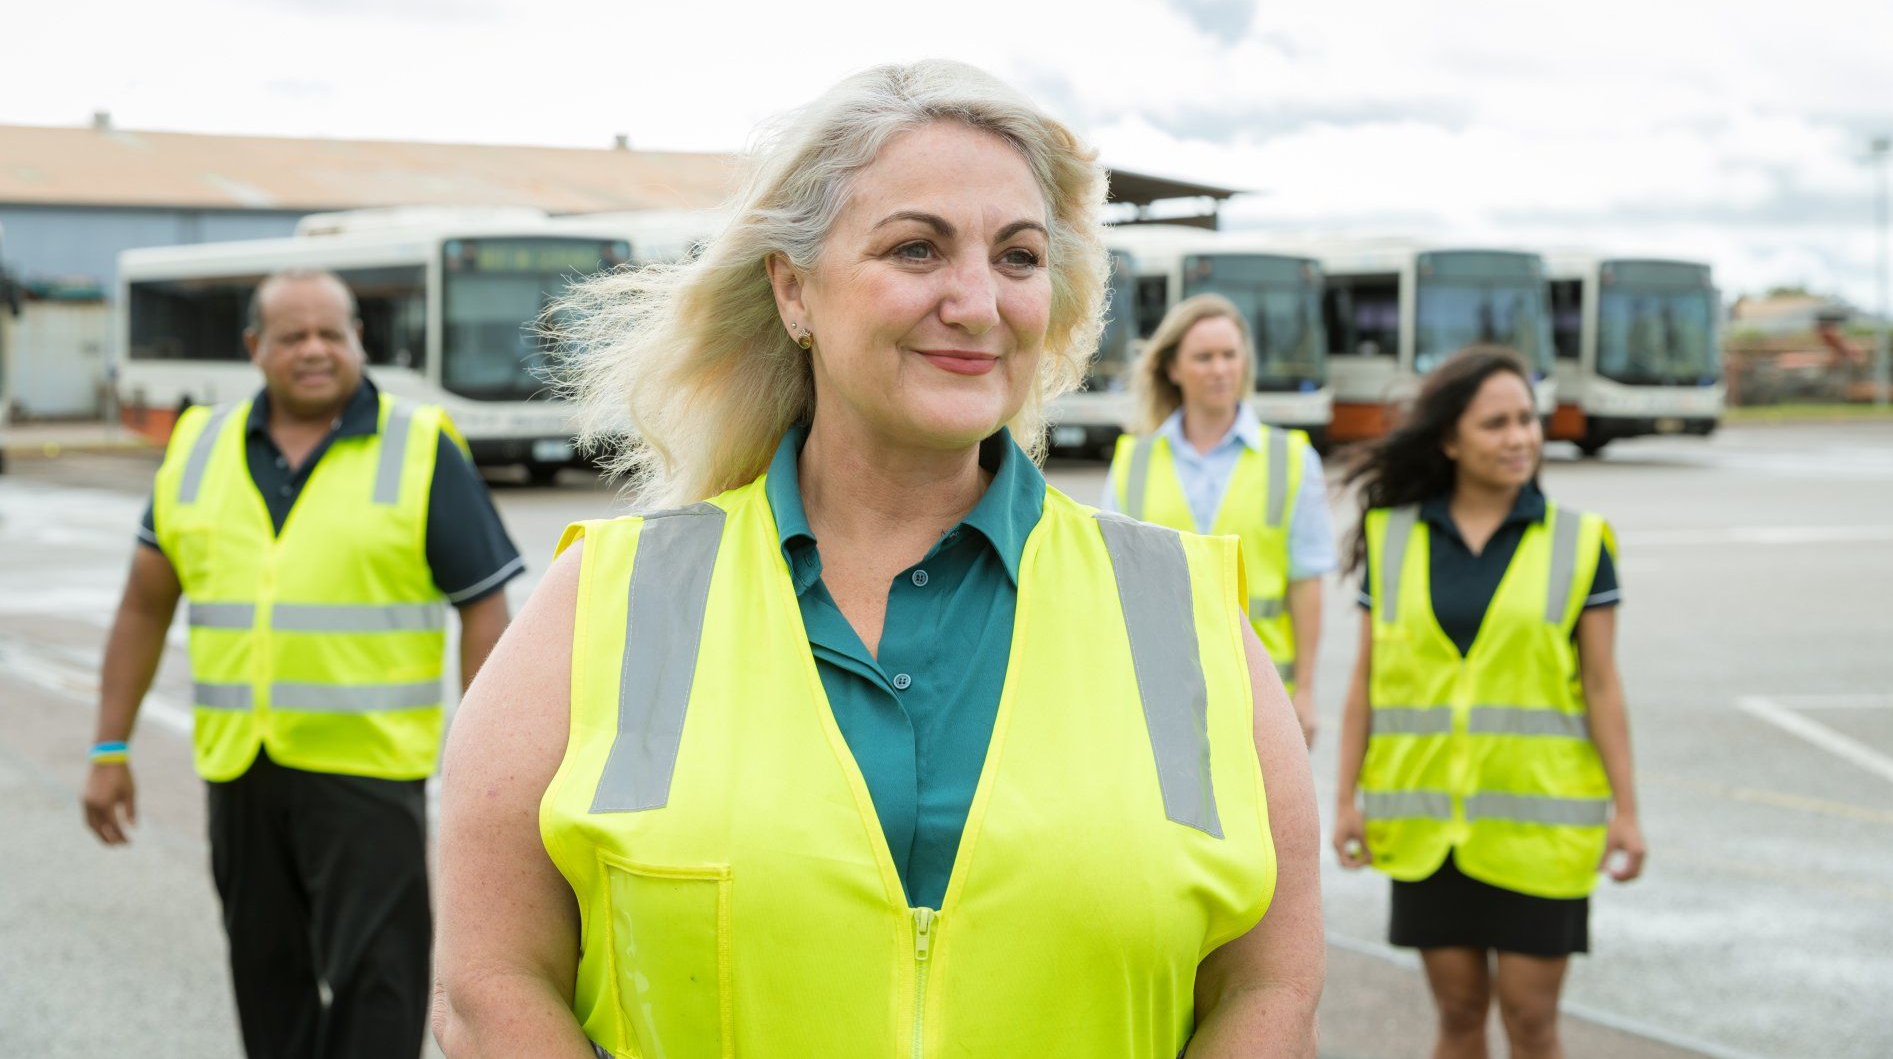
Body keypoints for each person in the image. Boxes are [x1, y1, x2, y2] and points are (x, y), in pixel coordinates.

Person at [430, 60, 1323, 1057]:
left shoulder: (1181, 616)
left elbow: (1268, 991)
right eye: (916, 249)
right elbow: (493, 983)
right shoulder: (610, 601)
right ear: (793, 288)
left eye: (1020, 257)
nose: (978, 301)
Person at [81, 269, 524, 1059]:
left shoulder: (420, 447)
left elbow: (486, 609)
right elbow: (145, 604)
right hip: (241, 772)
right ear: (255, 348)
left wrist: (490, 771)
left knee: (379, 989)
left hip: (369, 776)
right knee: (267, 983)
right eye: (294, 336)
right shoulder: (198, 445)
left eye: (333, 333)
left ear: (360, 339)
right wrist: (109, 746)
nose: (316, 351)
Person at [1329, 346, 1646, 1059]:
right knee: (1460, 1014)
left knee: (1532, 1021)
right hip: (1427, 829)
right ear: (1450, 439)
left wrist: (1627, 812)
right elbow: (1366, 682)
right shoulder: (1394, 536)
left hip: (1538, 829)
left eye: (1528, 421)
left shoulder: (1580, 540)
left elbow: (1602, 684)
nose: (1520, 438)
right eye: (1496, 423)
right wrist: (1345, 798)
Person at [1105, 293, 1336, 744]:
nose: (1220, 369)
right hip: (1161, 695)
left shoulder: (1291, 458)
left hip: (1263, 693)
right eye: (1204, 357)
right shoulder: (1133, 460)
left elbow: (1307, 582)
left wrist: (1306, 690)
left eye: (1230, 355)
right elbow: (1114, 586)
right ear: (1173, 368)